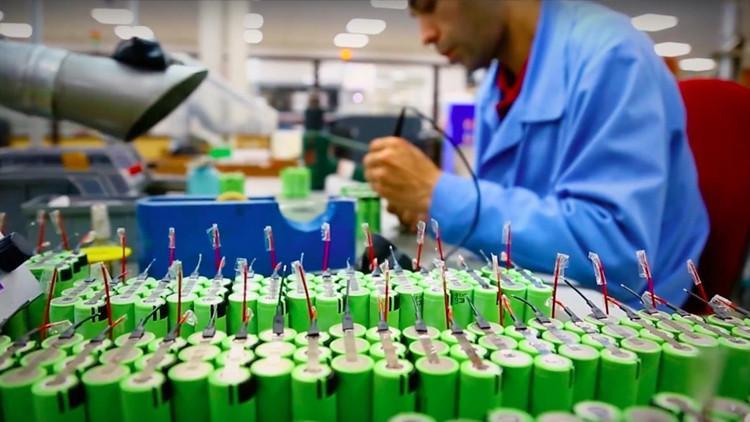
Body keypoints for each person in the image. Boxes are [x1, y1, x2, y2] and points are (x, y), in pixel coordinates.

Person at [363, 0, 709, 305]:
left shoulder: (613, 55)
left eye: (428, 4)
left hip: (627, 317)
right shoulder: (495, 87)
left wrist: (438, 194)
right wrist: (428, 207)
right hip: (534, 293)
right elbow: (506, 220)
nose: (425, 34)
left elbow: (613, 257)